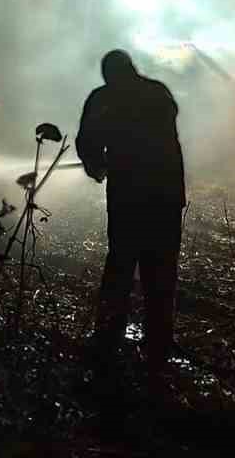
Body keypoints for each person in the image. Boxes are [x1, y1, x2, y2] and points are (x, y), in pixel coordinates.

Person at [76, 48, 186, 392]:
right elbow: (167, 121)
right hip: (166, 195)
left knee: (121, 264)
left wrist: (97, 165)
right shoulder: (158, 93)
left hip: (128, 197)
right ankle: (159, 344)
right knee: (161, 269)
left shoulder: (104, 99)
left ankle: (109, 339)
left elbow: (86, 142)